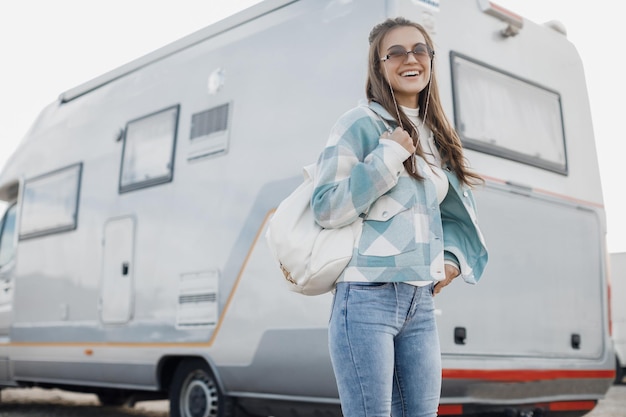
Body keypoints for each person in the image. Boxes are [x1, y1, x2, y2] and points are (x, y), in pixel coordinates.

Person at [310, 17, 489, 417]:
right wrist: (386, 158)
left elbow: (459, 215)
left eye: (420, 49)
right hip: (364, 297)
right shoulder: (359, 123)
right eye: (396, 52)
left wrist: (452, 261)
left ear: (430, 59)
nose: (411, 59)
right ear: (379, 65)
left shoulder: (438, 134)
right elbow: (326, 206)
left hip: (419, 302)